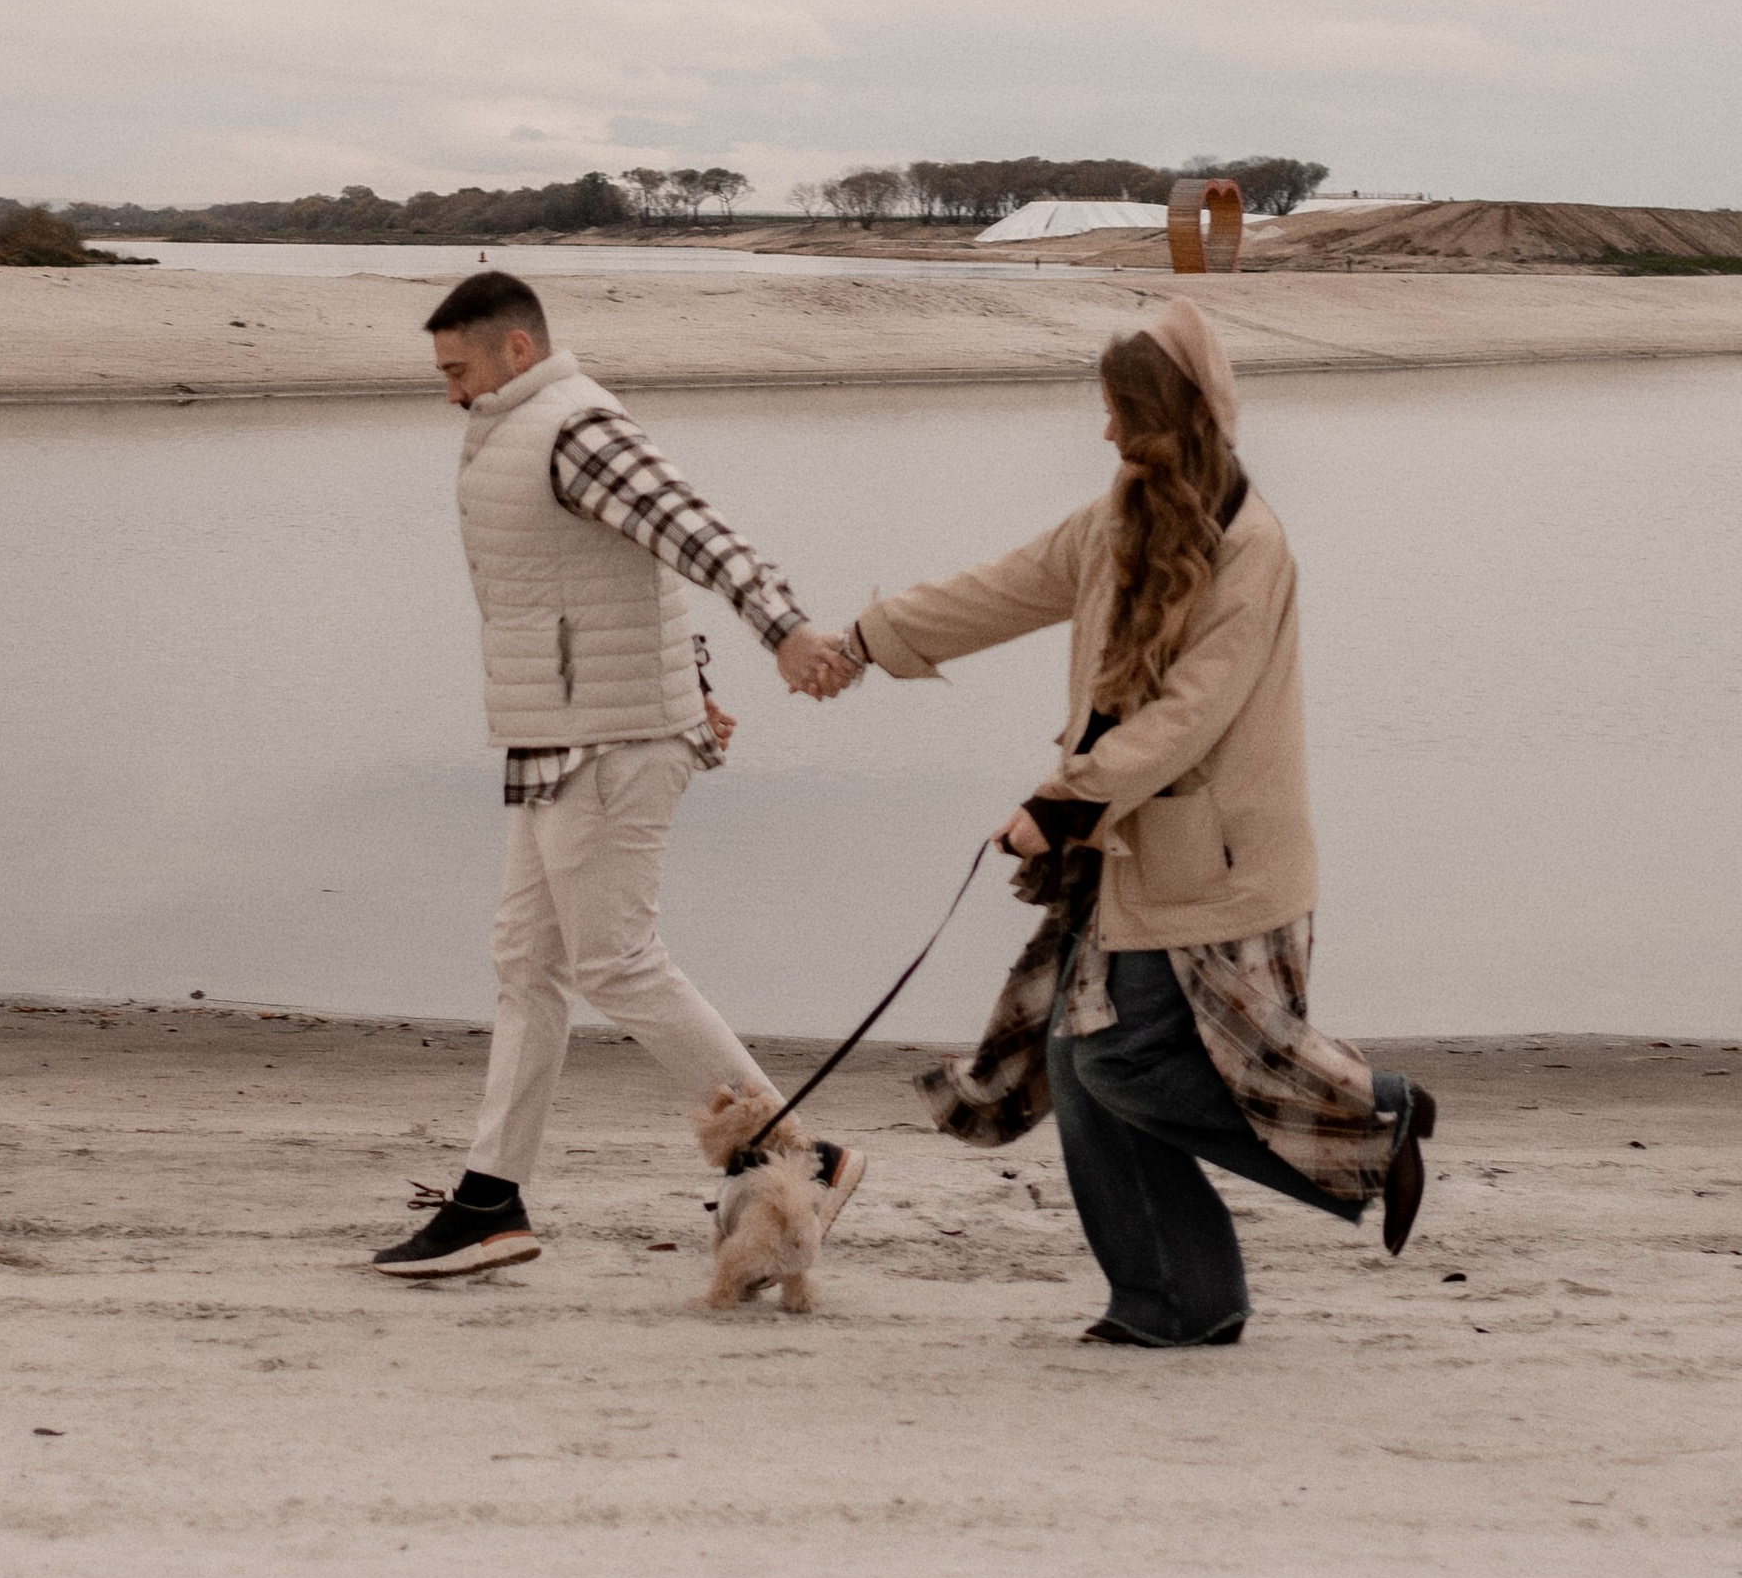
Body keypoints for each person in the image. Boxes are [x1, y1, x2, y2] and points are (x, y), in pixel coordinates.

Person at [816, 298, 1432, 1346]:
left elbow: (1192, 717)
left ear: (1156, 416)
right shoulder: (1114, 519)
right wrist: (866, 640)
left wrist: (1059, 804)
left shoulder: (1254, 548)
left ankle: (1374, 1118)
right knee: (1076, 1064)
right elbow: (1001, 588)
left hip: (1213, 867)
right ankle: (1177, 1298)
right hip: (1125, 849)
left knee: (1118, 1062)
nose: (1100, 431)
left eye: (1113, 411)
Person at [373, 267, 862, 1279]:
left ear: (516, 349)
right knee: (526, 964)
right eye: (439, 373)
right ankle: (489, 1201)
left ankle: (802, 1158)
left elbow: (693, 530)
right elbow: (610, 579)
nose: (448, 390)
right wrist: (688, 673)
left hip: (607, 744)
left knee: (615, 964)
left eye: (457, 368)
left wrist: (782, 631)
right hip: (567, 734)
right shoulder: (519, 428)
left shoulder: (572, 427)